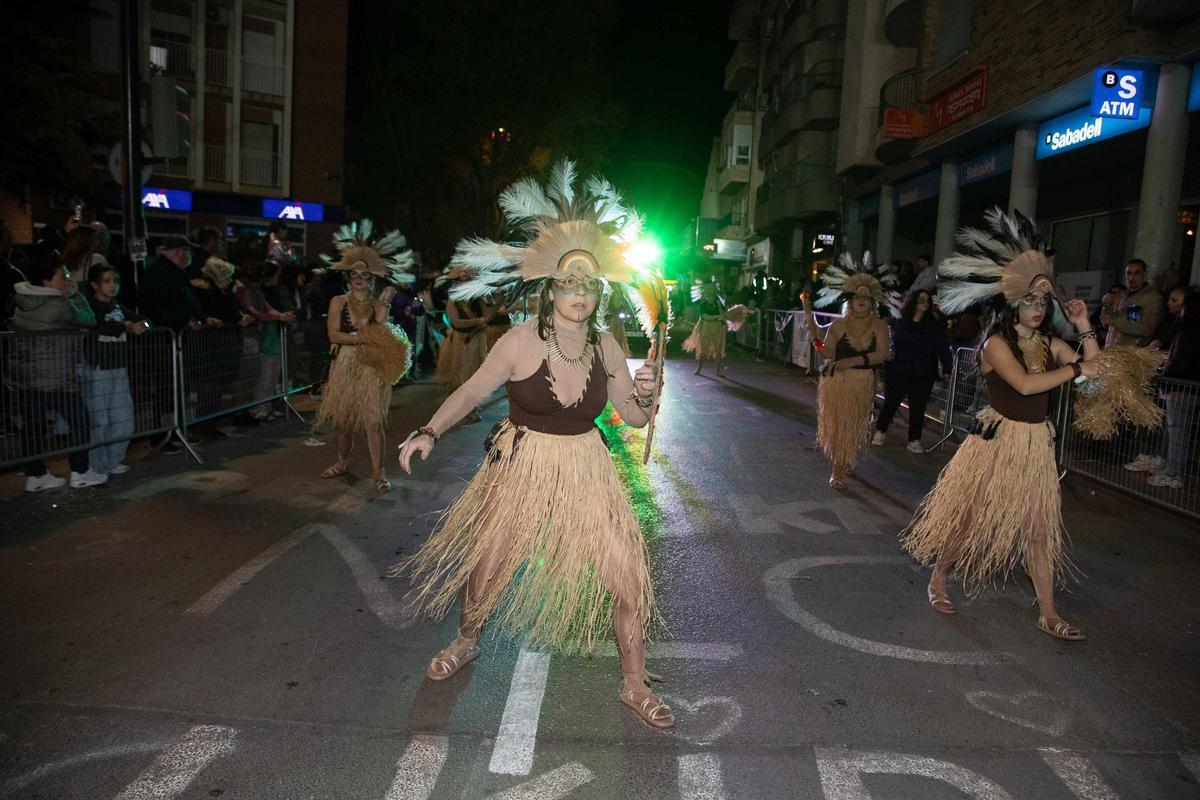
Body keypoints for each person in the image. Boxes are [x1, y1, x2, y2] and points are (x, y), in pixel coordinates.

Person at [393, 162, 673, 729]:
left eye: (590, 286)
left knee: (627, 576)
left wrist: (650, 392)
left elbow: (634, 419)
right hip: (523, 465)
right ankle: (466, 639)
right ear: (550, 292)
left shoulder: (608, 348)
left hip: (588, 467)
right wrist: (428, 431)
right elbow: (472, 389)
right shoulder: (520, 341)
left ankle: (634, 683)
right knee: (489, 566)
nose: (580, 294)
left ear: (599, 293)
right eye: (569, 285)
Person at [903, 207, 1102, 641]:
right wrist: (1076, 370)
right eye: (1029, 300)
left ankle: (1048, 611)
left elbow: (1095, 371)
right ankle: (938, 578)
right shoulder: (995, 343)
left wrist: (1084, 324)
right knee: (967, 518)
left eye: (1042, 301)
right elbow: (1027, 387)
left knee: (1038, 529)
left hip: (1035, 447)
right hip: (996, 442)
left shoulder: (1052, 342)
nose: (1036, 307)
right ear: (1012, 303)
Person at [315, 221, 413, 492]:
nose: (359, 277)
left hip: (371, 369)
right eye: (354, 274)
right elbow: (334, 335)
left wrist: (386, 300)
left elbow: (379, 330)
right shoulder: (338, 302)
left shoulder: (377, 304)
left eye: (365, 274)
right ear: (348, 278)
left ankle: (378, 473)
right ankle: (342, 461)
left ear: (372, 279)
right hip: (344, 367)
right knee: (343, 423)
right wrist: (360, 337)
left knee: (372, 422)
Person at [6, 254, 107, 491]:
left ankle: (36, 475)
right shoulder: (58, 303)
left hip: (28, 375)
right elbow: (89, 318)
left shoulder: (23, 300)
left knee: (32, 426)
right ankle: (81, 472)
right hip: (56, 375)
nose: (67, 280)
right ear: (47, 280)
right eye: (63, 276)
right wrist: (74, 293)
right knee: (80, 422)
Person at [814, 253, 898, 489]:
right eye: (857, 297)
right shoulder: (838, 325)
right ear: (849, 302)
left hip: (863, 382)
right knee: (838, 423)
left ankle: (846, 456)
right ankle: (837, 468)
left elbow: (882, 353)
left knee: (855, 423)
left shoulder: (880, 326)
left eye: (866, 297)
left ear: (872, 303)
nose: (861, 300)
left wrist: (854, 361)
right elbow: (828, 352)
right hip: (837, 382)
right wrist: (825, 356)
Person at [83, 262, 147, 475]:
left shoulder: (117, 306)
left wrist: (142, 326)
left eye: (115, 281)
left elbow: (143, 319)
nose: (113, 286)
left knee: (123, 416)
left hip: (119, 367)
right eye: (107, 281)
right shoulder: (90, 306)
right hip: (98, 369)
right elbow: (97, 326)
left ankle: (113, 459)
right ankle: (96, 464)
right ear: (94, 284)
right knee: (99, 419)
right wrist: (125, 326)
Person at [874, 289, 952, 452]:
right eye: (921, 299)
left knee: (918, 407)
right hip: (899, 369)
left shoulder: (934, 324)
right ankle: (881, 431)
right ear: (913, 301)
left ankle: (914, 439)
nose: (924, 302)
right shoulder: (900, 320)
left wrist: (947, 367)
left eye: (927, 300)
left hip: (923, 372)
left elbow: (943, 346)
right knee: (891, 402)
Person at [1145, 290, 1200, 490]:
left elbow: (1180, 359)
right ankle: (1170, 467)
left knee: (1178, 431)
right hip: (1181, 386)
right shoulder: (1181, 327)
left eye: (1177, 301)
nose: (1171, 304)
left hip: (1180, 386)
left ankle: (1174, 472)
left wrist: (1166, 375)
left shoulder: (1187, 330)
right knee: (1175, 430)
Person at [434, 267, 493, 421]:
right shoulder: (453, 300)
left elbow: (487, 315)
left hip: (477, 341)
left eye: (468, 279)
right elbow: (456, 322)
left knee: (474, 377)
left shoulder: (478, 298)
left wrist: (487, 302)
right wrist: (477, 321)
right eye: (461, 279)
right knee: (460, 378)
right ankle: (461, 408)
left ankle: (470, 408)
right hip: (461, 341)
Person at [681, 280, 752, 377]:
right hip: (706, 327)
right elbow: (705, 317)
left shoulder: (718, 303)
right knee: (703, 351)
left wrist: (731, 315)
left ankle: (718, 371)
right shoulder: (703, 305)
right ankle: (699, 368)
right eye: (710, 291)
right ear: (706, 293)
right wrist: (718, 317)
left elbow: (723, 314)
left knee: (718, 350)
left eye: (713, 291)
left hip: (717, 328)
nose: (712, 293)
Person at [1101, 259, 1163, 347]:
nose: (1131, 278)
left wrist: (1114, 321)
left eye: (1137, 273)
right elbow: (1106, 323)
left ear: (1144, 275)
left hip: (1131, 354)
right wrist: (1106, 306)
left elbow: (1147, 329)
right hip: (1111, 350)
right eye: (1129, 273)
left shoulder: (1152, 298)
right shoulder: (1121, 295)